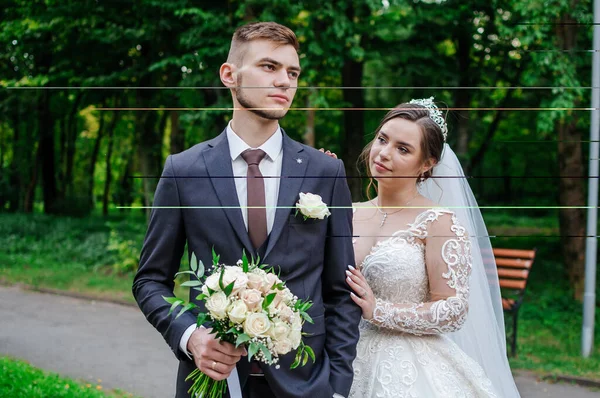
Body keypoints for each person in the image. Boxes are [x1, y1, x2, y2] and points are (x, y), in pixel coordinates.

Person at [132, 22, 361, 398]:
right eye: (269, 67)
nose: (285, 81)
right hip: (212, 385)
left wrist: (337, 387)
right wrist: (191, 337)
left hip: (306, 384)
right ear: (229, 74)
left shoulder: (326, 171)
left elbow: (340, 291)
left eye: (293, 73)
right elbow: (150, 281)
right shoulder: (184, 171)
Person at [323, 98, 520, 397]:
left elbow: (453, 309)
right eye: (382, 139)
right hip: (340, 357)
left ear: (427, 164)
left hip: (410, 368)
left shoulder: (439, 222)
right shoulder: (345, 212)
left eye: (403, 149)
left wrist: (380, 310)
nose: (384, 154)